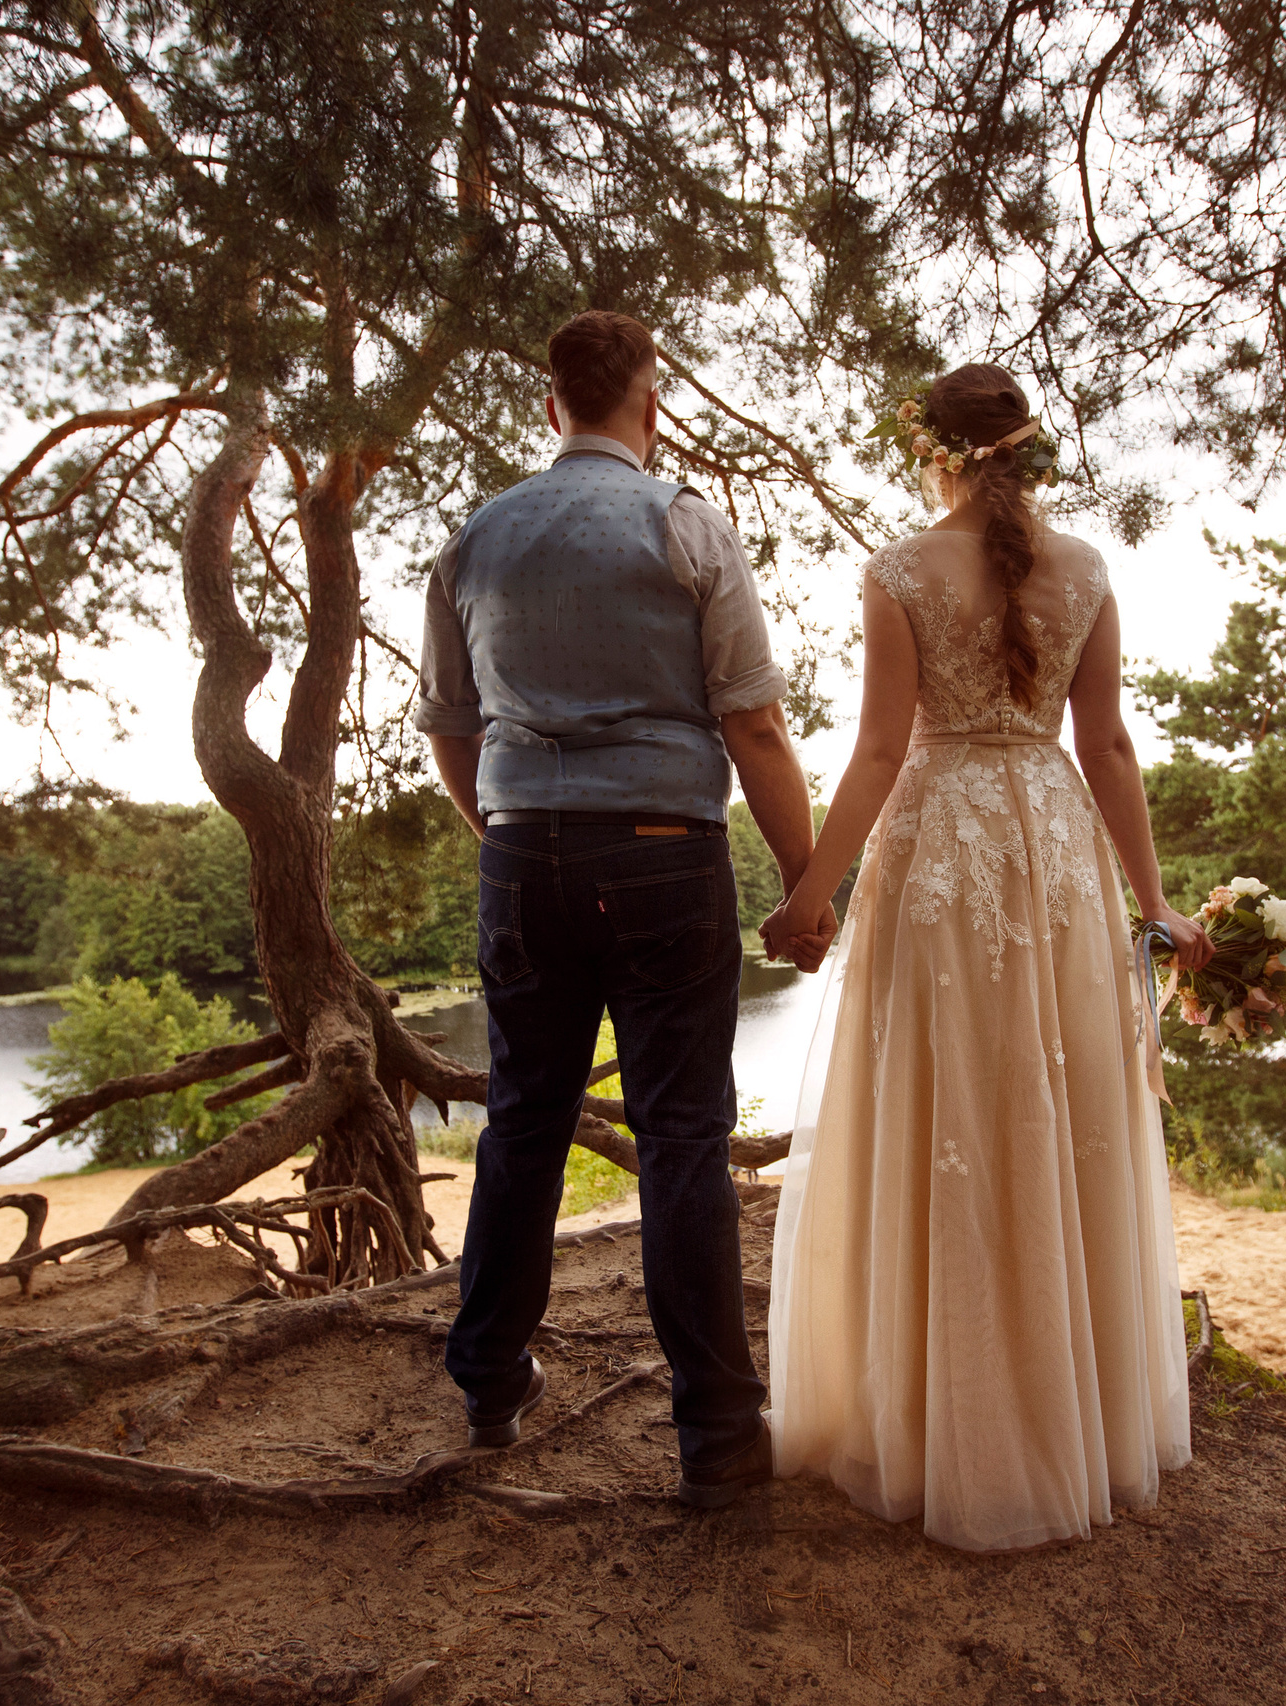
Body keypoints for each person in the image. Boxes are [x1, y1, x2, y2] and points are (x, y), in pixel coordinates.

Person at [757, 363, 1211, 1551]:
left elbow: (876, 749)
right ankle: (1070, 1411)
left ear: (935, 450)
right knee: (1055, 1105)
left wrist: (811, 895)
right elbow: (1107, 745)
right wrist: (1154, 902)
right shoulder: (1088, 569)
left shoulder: (899, 569)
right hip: (1052, 850)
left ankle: (939, 1413)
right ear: (1027, 449)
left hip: (941, 849)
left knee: (941, 1102)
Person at [416, 309, 836, 1507]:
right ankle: (717, 1436)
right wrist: (805, 883)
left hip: (521, 854)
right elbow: (754, 722)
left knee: (522, 1121)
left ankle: (488, 1383)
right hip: (663, 852)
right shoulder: (686, 522)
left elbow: (450, 725)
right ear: (649, 406)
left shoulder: (474, 537)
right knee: (682, 1138)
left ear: (552, 406)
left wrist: (507, 836)